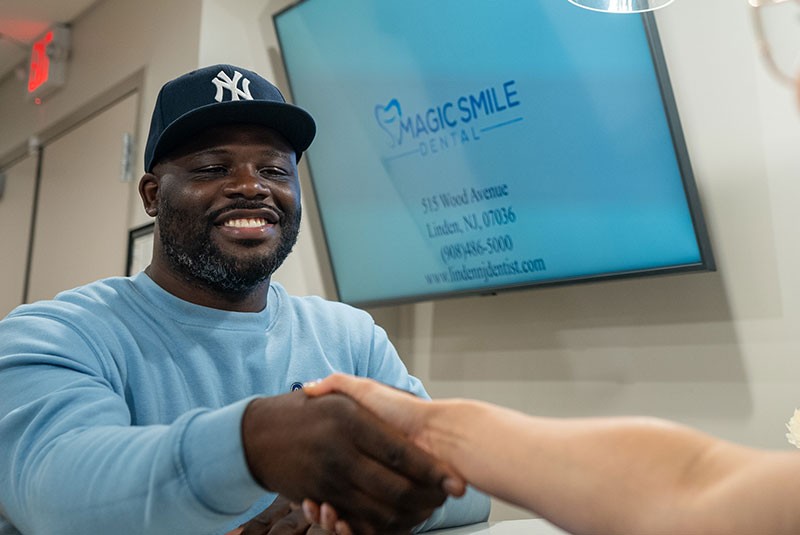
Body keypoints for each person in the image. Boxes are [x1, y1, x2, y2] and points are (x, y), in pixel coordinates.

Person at [0, 64, 489, 535]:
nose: (251, 188)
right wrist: (252, 444)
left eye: (275, 171)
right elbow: (57, 499)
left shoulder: (349, 337)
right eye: (213, 167)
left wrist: (358, 503)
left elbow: (466, 482)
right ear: (153, 195)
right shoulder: (56, 334)